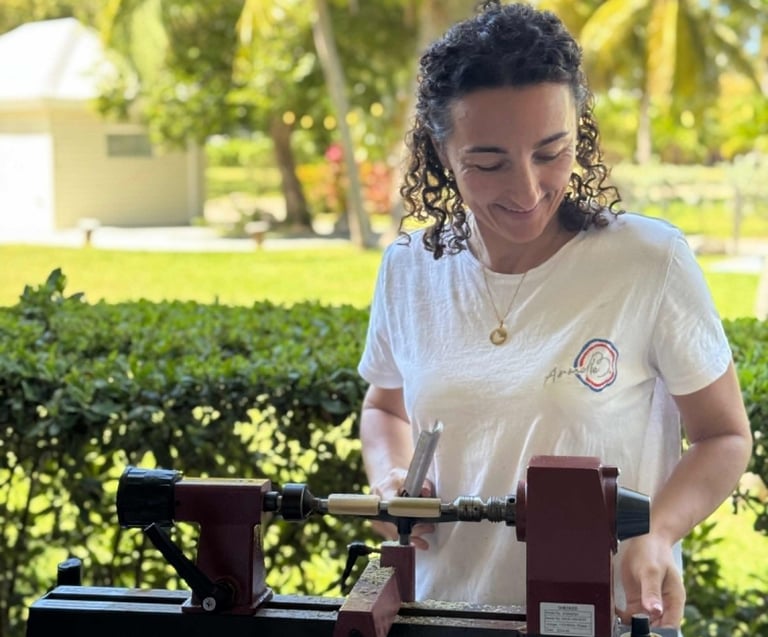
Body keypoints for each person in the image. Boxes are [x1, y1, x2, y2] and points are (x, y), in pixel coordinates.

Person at [356, 0, 753, 631]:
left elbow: (725, 437)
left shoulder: (649, 261)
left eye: (551, 151)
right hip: (439, 613)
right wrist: (393, 477)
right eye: (488, 163)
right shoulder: (410, 267)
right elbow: (384, 407)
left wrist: (654, 533)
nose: (528, 189)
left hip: (609, 616)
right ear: (441, 152)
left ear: (580, 131)